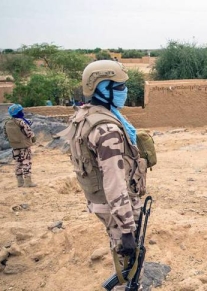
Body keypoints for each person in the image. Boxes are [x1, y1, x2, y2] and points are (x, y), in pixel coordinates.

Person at [58, 60, 147, 290]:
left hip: (105, 204)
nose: (124, 91)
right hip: (117, 207)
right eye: (118, 87)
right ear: (101, 88)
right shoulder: (107, 130)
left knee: (125, 260)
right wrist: (127, 229)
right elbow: (114, 182)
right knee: (129, 266)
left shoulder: (86, 115)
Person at [4, 104, 37, 187]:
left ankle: (20, 182)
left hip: (15, 146)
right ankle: (28, 182)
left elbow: (6, 135)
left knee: (18, 163)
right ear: (18, 112)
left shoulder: (7, 123)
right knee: (26, 162)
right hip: (24, 146)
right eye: (21, 111)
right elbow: (28, 132)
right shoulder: (21, 122)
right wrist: (33, 137)